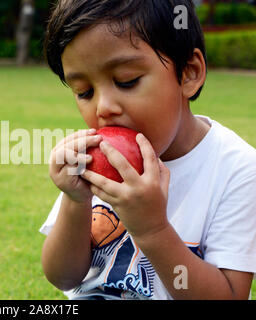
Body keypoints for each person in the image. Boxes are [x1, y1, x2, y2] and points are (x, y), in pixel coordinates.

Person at [39, 0, 256, 300]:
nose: (103, 108)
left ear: (189, 73)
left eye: (126, 81)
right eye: (84, 92)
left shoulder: (237, 170)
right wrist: (75, 200)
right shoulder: (94, 163)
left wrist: (152, 230)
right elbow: (62, 276)